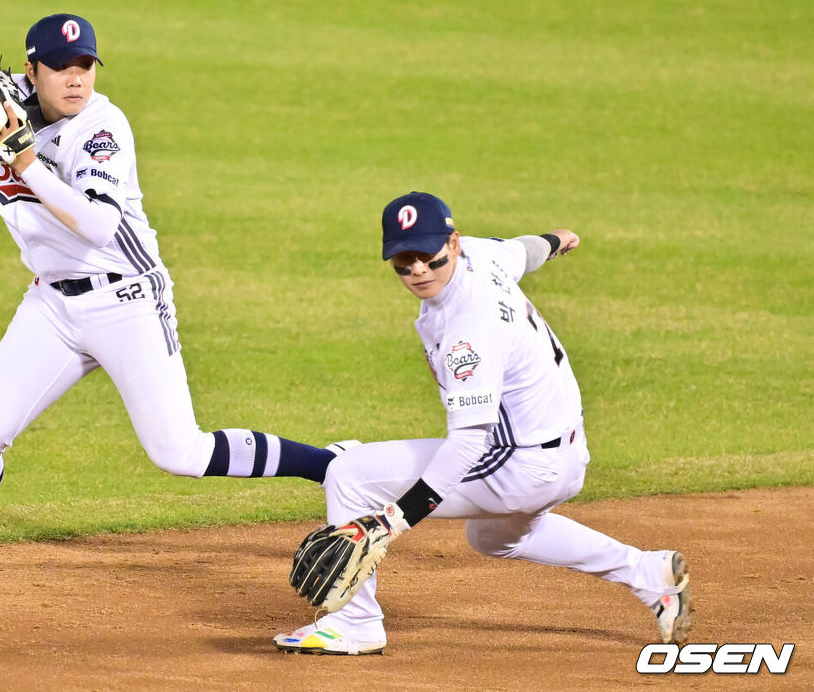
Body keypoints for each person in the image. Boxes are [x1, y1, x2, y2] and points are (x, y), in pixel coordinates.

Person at [0, 13, 344, 552]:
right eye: (60, 68)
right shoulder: (1, 101)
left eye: (85, 66)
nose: (75, 79)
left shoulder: (102, 129)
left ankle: (335, 466)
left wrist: (28, 165)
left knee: (179, 453)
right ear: (30, 71)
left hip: (126, 297)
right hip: (52, 304)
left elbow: (97, 225)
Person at [274, 191, 692, 655]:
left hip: (519, 463)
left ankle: (355, 625)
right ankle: (648, 574)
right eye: (403, 262)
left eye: (429, 258)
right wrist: (557, 240)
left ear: (452, 243)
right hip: (563, 452)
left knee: (350, 473)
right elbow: (523, 250)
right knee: (493, 536)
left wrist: (391, 520)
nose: (418, 271)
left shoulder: (467, 330)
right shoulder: (482, 253)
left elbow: (470, 441)